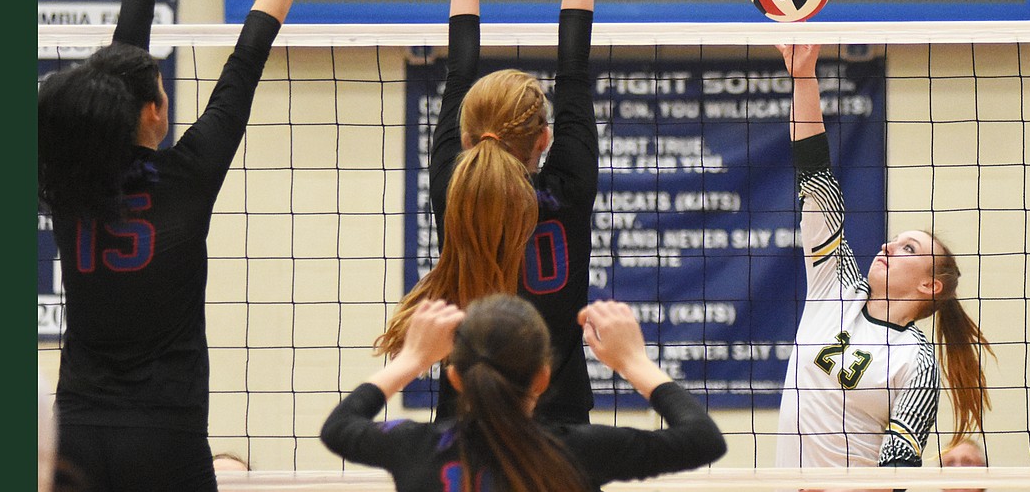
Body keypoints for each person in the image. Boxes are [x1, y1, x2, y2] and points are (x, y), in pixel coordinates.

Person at [37, 0, 321, 492]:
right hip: (164, 438)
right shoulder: (186, 180)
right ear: (157, 112)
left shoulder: (70, 180)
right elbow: (248, 54)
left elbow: (121, 60)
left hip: (76, 431)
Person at [375, 0, 609, 425]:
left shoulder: (455, 189)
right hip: (561, 426)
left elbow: (459, 74)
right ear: (546, 139)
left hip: (467, 422)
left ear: (465, 135)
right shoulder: (569, 188)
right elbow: (574, 70)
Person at [774, 44, 994, 477]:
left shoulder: (917, 360)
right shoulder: (833, 288)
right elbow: (818, 183)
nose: (889, 247)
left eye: (908, 249)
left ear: (929, 286)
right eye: (895, 240)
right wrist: (803, 77)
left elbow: (898, 468)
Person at [324, 295, 726, 491]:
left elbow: (339, 427)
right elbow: (703, 439)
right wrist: (634, 362)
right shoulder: (578, 451)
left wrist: (410, 359)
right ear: (543, 378)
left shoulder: (414, 446)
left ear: (455, 378)